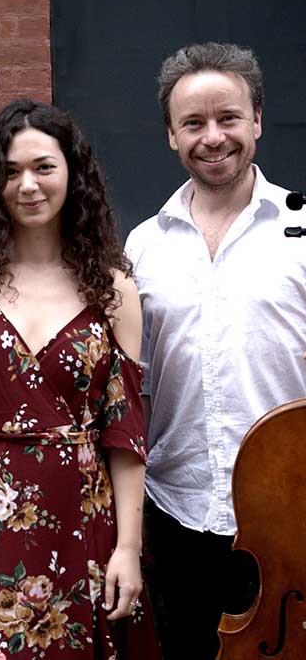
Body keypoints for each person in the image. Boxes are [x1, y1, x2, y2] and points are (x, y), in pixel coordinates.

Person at [0, 99, 159, 659]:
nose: (28, 185)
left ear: (73, 173)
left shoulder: (113, 288)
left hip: (85, 516)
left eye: (44, 167)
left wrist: (128, 548)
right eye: (10, 172)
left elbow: (126, 434)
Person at [125, 42, 305, 659]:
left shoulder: (301, 233)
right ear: (171, 135)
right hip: (177, 511)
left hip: (290, 514)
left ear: (257, 120)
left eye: (228, 118)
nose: (213, 137)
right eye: (193, 123)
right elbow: (137, 385)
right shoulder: (144, 246)